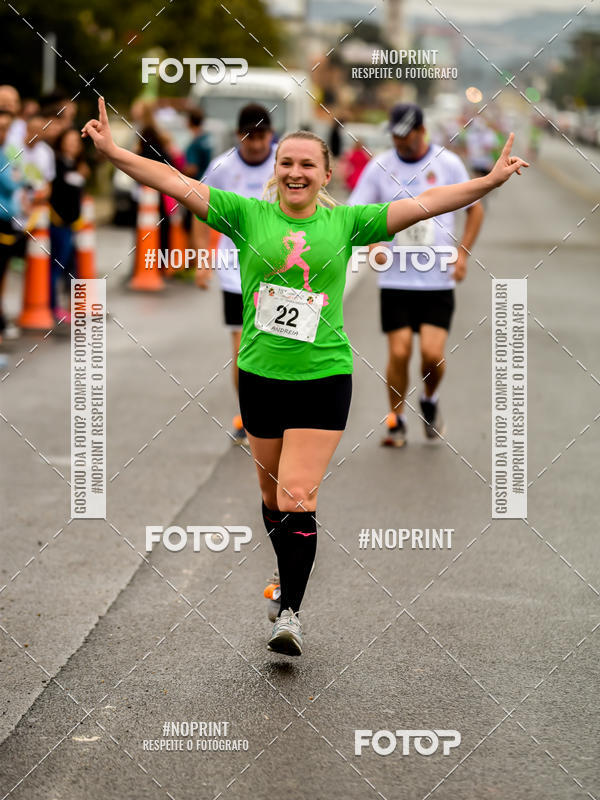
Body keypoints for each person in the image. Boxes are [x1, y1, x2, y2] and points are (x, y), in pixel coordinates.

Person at [82, 97, 528, 656]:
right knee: (270, 496)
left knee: (298, 493)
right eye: (286, 163)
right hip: (261, 377)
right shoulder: (245, 214)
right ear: (276, 171)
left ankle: (289, 612)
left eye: (307, 165)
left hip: (324, 377)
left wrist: (487, 182)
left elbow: (428, 202)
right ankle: (284, 575)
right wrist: (113, 151)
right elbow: (172, 180)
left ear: (325, 175)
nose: (295, 172)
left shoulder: (347, 222)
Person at [349, 103, 485, 446]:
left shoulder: (448, 164)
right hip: (395, 279)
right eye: (393, 133)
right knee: (398, 353)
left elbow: (475, 209)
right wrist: (373, 245)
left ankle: (429, 398)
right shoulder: (380, 165)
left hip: (437, 278)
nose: (397, 140)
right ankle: (396, 420)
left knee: (431, 355)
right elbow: (357, 212)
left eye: (404, 133)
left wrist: (463, 254)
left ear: (421, 130)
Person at [194, 104, 275, 447]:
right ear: (238, 135)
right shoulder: (222, 167)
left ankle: (276, 411)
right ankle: (247, 413)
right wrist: (202, 260)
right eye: (249, 137)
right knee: (242, 349)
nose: (255, 145)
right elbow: (199, 210)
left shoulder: (283, 164)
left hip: (277, 274)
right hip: (235, 273)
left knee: (275, 345)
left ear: (270, 135)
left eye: (261, 137)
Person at [49, 128, 89, 322]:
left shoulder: (75, 165)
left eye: (76, 141)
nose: (73, 144)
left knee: (70, 266)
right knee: (56, 265)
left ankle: (72, 305)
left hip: (72, 224)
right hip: (59, 222)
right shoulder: (56, 164)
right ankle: (52, 306)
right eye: (69, 140)